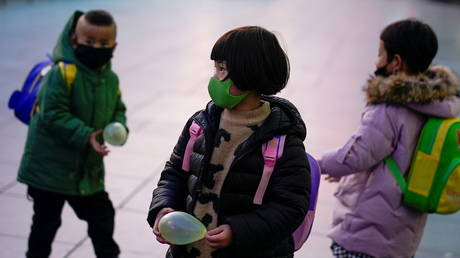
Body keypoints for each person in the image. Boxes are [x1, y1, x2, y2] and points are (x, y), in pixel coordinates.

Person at [147, 26, 311, 258]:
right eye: (216, 68)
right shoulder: (199, 125)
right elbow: (174, 173)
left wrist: (238, 231)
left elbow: (291, 207)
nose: (215, 78)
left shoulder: (282, 140)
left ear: (250, 74)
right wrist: (163, 208)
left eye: (222, 69)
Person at [319, 18, 460, 258]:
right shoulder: (439, 106)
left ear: (395, 62)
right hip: (403, 235)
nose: (376, 61)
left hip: (368, 232)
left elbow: (358, 155)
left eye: (380, 54)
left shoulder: (389, 110)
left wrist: (316, 164)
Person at [17, 10, 128, 258]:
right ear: (74, 40)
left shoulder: (110, 79)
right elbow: (52, 113)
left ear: (114, 46)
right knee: (46, 224)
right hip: (49, 169)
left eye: (103, 43)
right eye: (88, 42)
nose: (96, 47)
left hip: (86, 171)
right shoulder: (62, 73)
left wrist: (120, 128)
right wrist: (86, 134)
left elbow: (118, 108)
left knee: (102, 216)